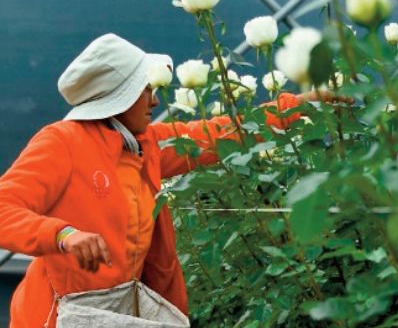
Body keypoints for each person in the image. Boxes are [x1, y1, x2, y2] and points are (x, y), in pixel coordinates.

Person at [0, 33, 348, 327]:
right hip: (62, 314)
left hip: (125, 307)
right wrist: (62, 235)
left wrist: (299, 105)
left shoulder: (144, 144)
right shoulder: (62, 142)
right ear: (115, 97)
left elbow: (220, 133)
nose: (154, 99)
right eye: (144, 90)